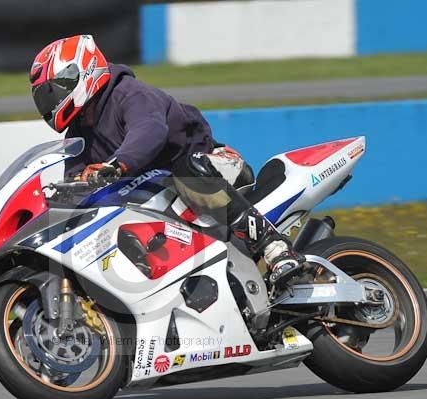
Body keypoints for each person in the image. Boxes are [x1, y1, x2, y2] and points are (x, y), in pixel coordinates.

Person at [29, 34, 305, 285]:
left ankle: (275, 248)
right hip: (158, 194)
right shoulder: (79, 133)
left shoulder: (128, 93)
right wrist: (62, 194)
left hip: (210, 166)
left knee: (188, 173)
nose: (49, 103)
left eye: (52, 92)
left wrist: (116, 165)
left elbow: (149, 132)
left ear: (80, 73)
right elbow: (75, 181)